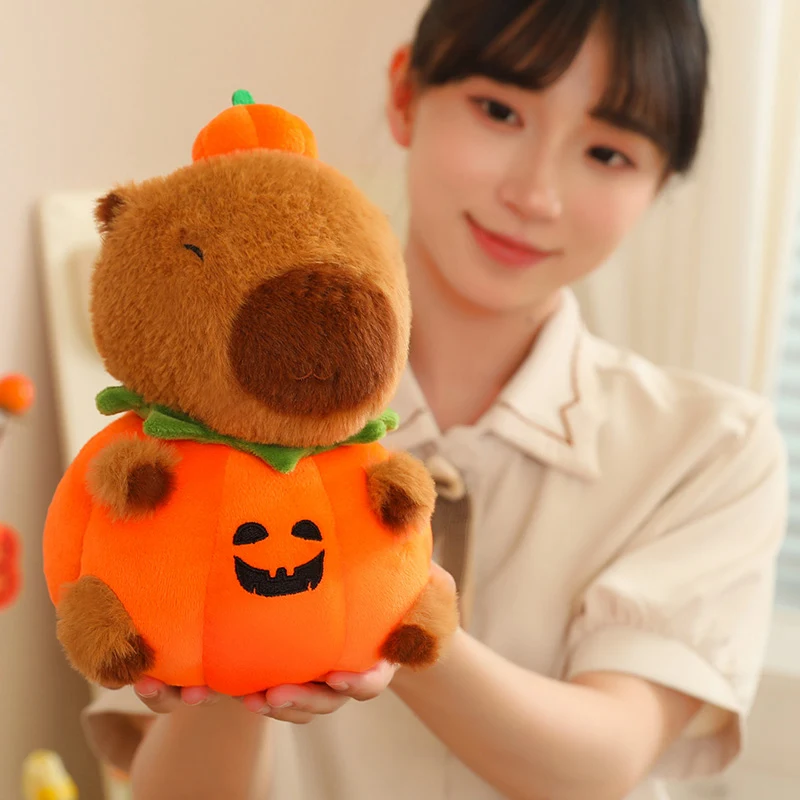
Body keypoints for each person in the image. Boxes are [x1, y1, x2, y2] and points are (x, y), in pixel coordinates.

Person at [81, 1, 788, 798]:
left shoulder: (712, 446)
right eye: (499, 111)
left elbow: (605, 761)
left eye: (608, 152)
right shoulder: (192, 415)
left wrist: (394, 612)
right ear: (406, 96)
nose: (535, 193)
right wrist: (233, 642)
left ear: (661, 184)